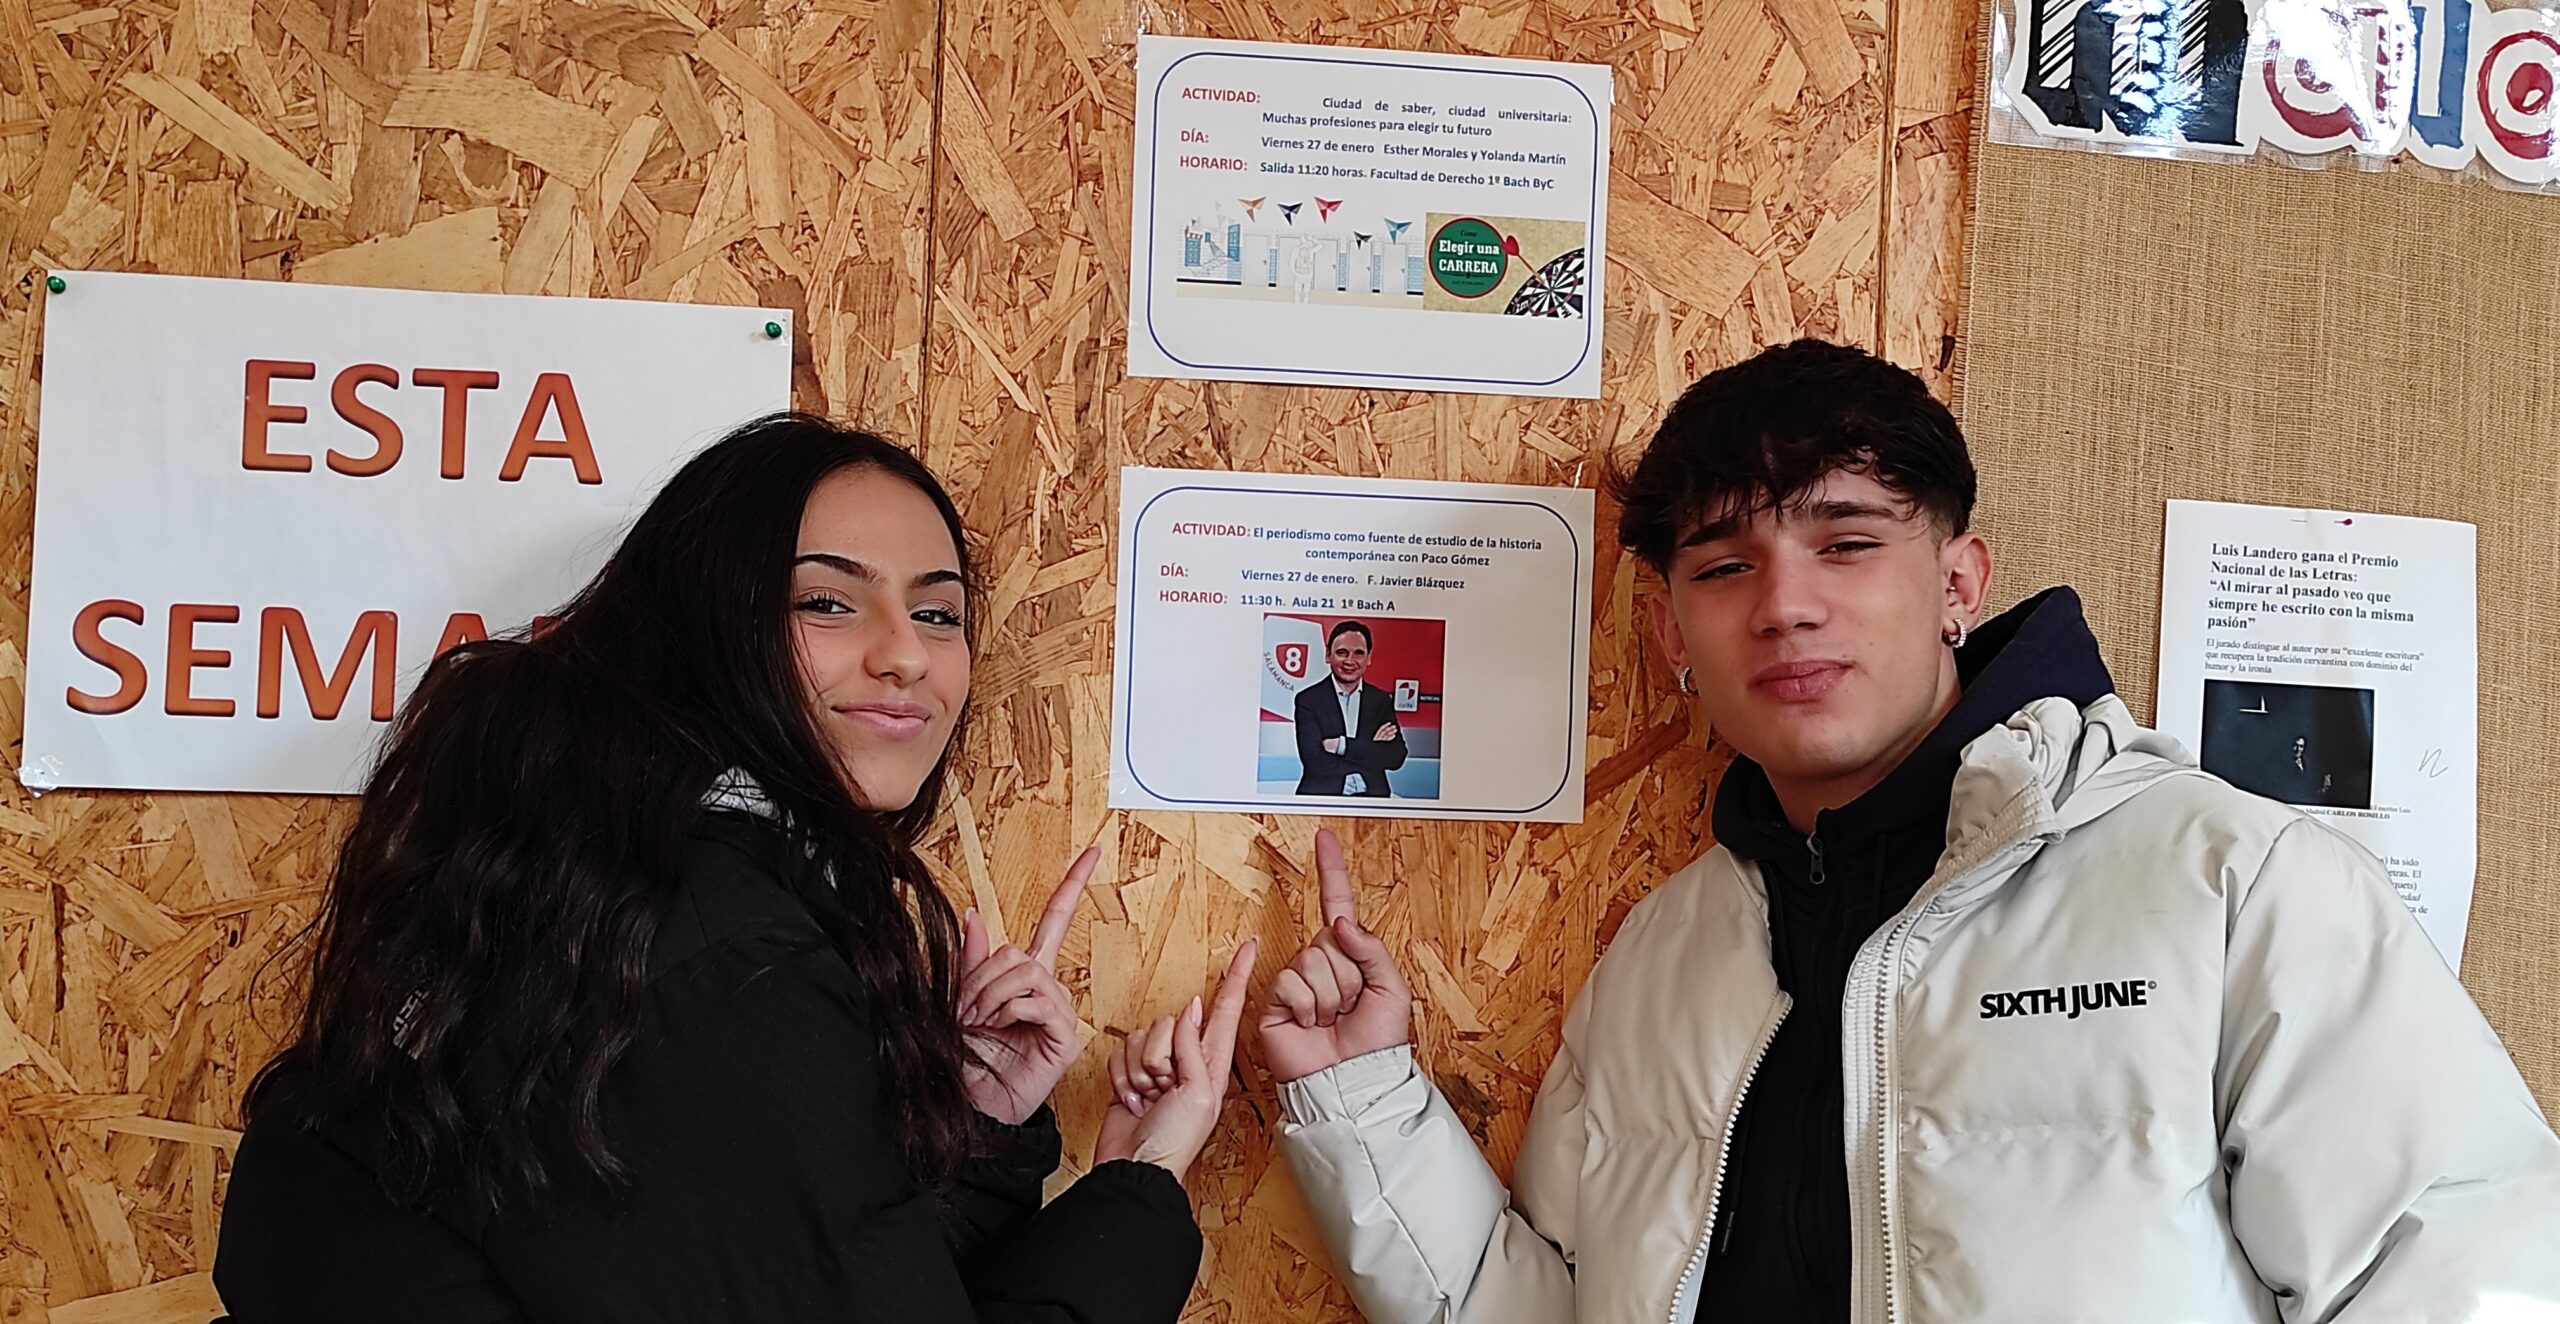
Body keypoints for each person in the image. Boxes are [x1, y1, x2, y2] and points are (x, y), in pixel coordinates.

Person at [1255, 341, 2560, 1322]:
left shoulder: (2227, 885)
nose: (1785, 605)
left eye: (1847, 543)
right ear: (1671, 634)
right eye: (1724, 565)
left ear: (1957, 582)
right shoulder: (1660, 957)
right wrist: (1364, 1102)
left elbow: (2464, 1265)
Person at [214, 414, 1253, 1323]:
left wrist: (973, 1128)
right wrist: (1141, 1186)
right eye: (827, 603)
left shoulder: (602, 888)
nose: (905, 653)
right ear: (704, 628)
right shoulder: (717, 963)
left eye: (938, 613)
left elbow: (772, 1272)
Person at [1293, 620, 1407, 797]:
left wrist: (1342, 746)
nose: (1350, 660)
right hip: (1324, 800)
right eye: (1342, 652)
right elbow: (1315, 762)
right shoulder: (1308, 700)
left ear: (1369, 657)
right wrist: (1371, 749)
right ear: (1328, 655)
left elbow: (1395, 757)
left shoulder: (1380, 700)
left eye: (1358, 653)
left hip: (1373, 799)